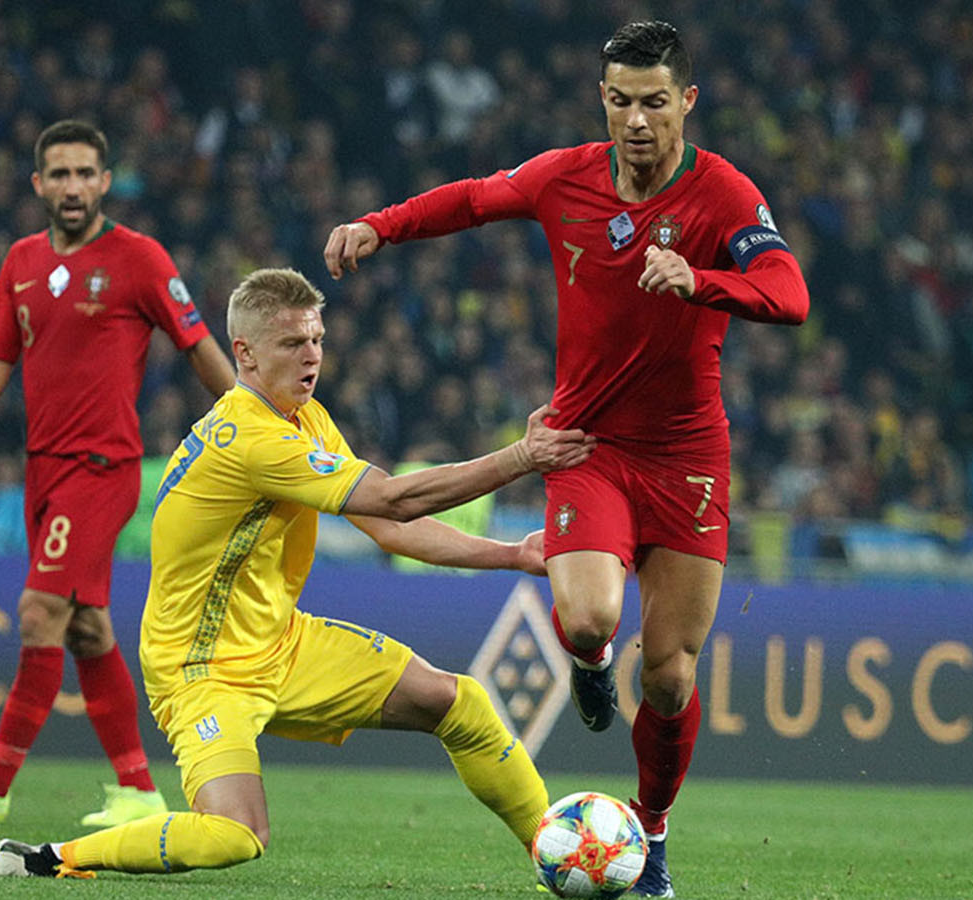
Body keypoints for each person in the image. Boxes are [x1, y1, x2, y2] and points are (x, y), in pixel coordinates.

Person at [322, 21, 809, 898]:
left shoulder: (727, 195)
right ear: (603, 100)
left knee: (669, 678)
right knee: (588, 620)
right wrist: (378, 226)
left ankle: (651, 833)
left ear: (688, 102)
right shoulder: (564, 176)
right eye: (620, 101)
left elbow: (789, 292)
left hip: (688, 458)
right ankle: (588, 666)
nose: (636, 120)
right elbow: (474, 199)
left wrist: (699, 280)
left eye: (654, 102)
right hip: (586, 445)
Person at [0, 266, 596, 880]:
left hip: (281, 643)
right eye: (292, 343)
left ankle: (556, 855)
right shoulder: (250, 439)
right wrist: (522, 457)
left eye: (317, 339)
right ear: (245, 354)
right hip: (202, 667)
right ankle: (52, 858)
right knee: (235, 834)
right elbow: (394, 499)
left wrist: (511, 554)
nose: (312, 356)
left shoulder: (305, 419)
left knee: (456, 701)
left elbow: (388, 529)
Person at [0, 120, 237, 827]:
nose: (72, 187)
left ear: (105, 181)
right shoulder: (22, 260)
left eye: (85, 174)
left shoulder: (139, 258)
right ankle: (139, 791)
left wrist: (251, 416)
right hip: (43, 471)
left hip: (103, 467)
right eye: (59, 174)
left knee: (39, 612)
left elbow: (196, 343)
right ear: (39, 184)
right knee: (86, 629)